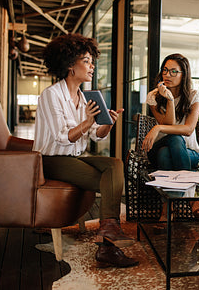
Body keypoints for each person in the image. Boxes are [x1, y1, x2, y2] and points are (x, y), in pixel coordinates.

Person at [33, 34, 138, 268]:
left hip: (74, 158)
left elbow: (95, 135)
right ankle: (108, 246)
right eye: (87, 61)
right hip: (50, 159)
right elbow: (62, 137)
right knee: (107, 179)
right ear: (70, 64)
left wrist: (108, 122)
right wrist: (89, 121)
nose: (92, 66)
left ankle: (108, 233)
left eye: (92, 62)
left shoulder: (85, 97)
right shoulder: (51, 95)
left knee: (116, 164)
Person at [142, 53, 199, 219]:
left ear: (183, 74)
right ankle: (191, 197)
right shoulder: (154, 96)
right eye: (165, 70)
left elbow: (188, 129)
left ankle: (168, 207)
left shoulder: (193, 95)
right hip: (157, 147)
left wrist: (157, 128)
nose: (167, 75)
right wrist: (169, 100)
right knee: (172, 140)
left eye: (173, 71)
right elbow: (170, 126)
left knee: (169, 150)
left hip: (189, 151)